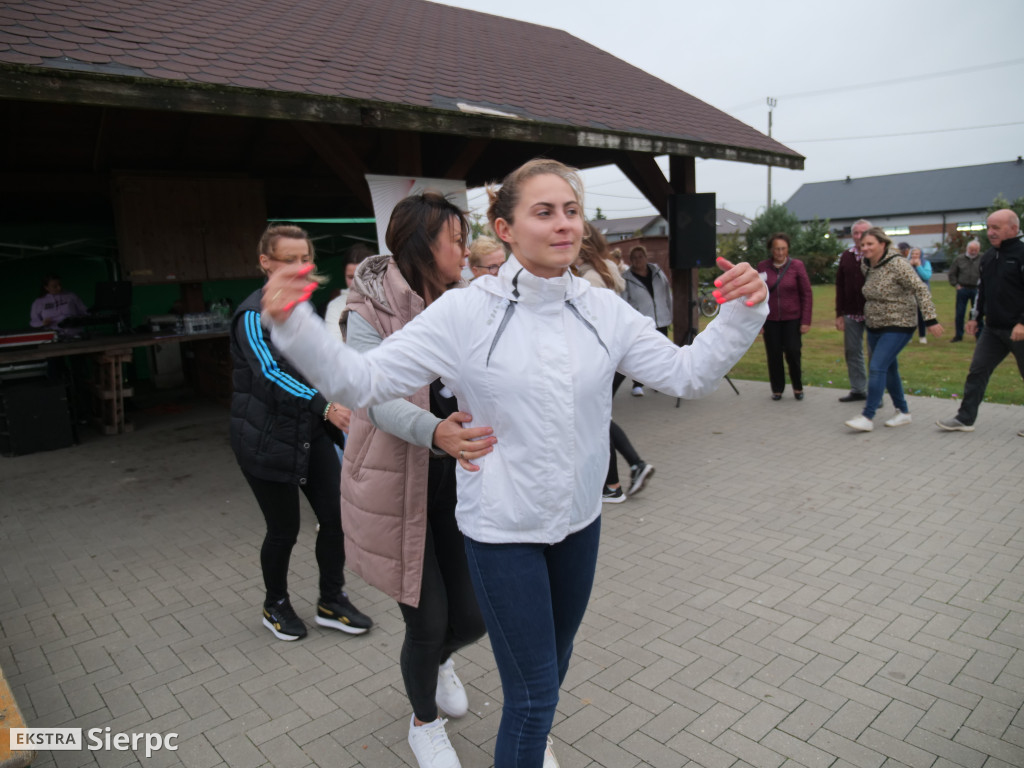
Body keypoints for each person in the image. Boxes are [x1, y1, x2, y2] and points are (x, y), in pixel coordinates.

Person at [260, 158, 769, 768]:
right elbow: (364, 382)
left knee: (548, 680)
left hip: (580, 526)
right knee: (531, 699)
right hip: (502, 532)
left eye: (573, 211)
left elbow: (688, 372)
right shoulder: (465, 312)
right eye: (544, 211)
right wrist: (295, 325)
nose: (564, 225)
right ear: (504, 228)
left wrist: (742, 312)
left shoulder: (603, 310)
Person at [341, 193, 489, 768]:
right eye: (456, 238)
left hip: (459, 484)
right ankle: (423, 724)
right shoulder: (368, 306)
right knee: (426, 620)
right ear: (426, 244)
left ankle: (441, 661)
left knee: (473, 618)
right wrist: (436, 432)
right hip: (396, 486)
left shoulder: (468, 299)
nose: (465, 249)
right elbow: (368, 396)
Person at [229, 224, 373, 642]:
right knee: (283, 531)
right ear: (265, 263)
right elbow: (271, 374)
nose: (296, 267)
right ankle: (275, 604)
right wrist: (325, 406)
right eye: (286, 260)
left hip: (309, 436)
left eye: (302, 259)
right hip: (265, 440)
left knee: (336, 518)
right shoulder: (253, 315)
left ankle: (331, 600)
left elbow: (330, 365)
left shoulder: (307, 310)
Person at [575, 221, 653, 503]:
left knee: (598, 417)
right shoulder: (603, 271)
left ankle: (616, 481)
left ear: (581, 248)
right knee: (599, 416)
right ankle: (628, 470)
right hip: (609, 355)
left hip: (600, 356)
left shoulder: (590, 279)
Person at [844, 227, 943, 432]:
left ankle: (867, 416)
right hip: (874, 325)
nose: (865, 248)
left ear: (883, 244)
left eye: (870, 244)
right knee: (889, 369)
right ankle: (903, 412)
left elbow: (920, 288)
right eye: (863, 245)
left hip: (899, 324)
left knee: (877, 366)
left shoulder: (898, 263)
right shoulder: (867, 265)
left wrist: (931, 319)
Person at [936, 209, 1024, 436]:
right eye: (988, 227)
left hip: (1019, 330)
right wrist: (975, 318)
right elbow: (982, 291)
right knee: (977, 371)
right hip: (993, 330)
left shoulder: (1021, 253)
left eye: (996, 228)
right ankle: (964, 419)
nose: (990, 232)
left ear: (1013, 229)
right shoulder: (988, 257)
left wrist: (1022, 323)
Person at [756, 232, 813, 400]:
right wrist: (758, 321)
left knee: (793, 352)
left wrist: (806, 320)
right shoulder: (763, 267)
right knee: (774, 354)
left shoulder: (797, 266)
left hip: (792, 318)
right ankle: (777, 389)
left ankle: (797, 386)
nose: (780, 253)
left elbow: (807, 294)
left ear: (788, 249)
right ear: (771, 250)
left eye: (783, 249)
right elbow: (758, 294)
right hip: (770, 319)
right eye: (776, 249)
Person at [621, 244, 673, 396]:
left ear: (646, 257)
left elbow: (666, 293)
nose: (638, 260)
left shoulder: (657, 273)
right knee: (642, 355)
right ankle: (637, 384)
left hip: (661, 319)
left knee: (661, 353)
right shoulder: (626, 278)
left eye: (640, 256)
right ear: (630, 260)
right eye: (634, 257)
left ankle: (659, 382)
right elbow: (623, 303)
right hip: (642, 323)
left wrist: (670, 313)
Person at [835, 219, 871, 402]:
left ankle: (876, 393)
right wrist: (839, 313)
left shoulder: (875, 255)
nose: (858, 236)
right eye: (855, 233)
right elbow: (840, 286)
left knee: (875, 354)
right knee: (852, 351)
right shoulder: (846, 256)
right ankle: (858, 389)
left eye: (862, 233)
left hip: (874, 313)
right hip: (850, 312)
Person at [325, 244, 374, 341]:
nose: (355, 283)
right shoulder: (336, 306)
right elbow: (335, 346)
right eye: (350, 277)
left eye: (360, 276)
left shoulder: (388, 299)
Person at [948, 239, 982, 342]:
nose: (973, 251)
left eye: (976, 250)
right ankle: (958, 335)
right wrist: (956, 284)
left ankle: (979, 336)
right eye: (971, 249)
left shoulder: (983, 258)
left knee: (978, 313)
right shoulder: (959, 259)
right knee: (960, 313)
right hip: (963, 288)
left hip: (977, 289)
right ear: (967, 249)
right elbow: (952, 273)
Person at [908, 247, 932, 343]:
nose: (914, 256)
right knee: (910, 315)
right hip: (909, 292)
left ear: (921, 255)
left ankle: (922, 336)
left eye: (917, 254)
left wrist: (918, 266)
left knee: (921, 314)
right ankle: (908, 336)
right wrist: (909, 267)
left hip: (922, 292)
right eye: (913, 253)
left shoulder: (926, 263)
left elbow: (926, 276)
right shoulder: (906, 263)